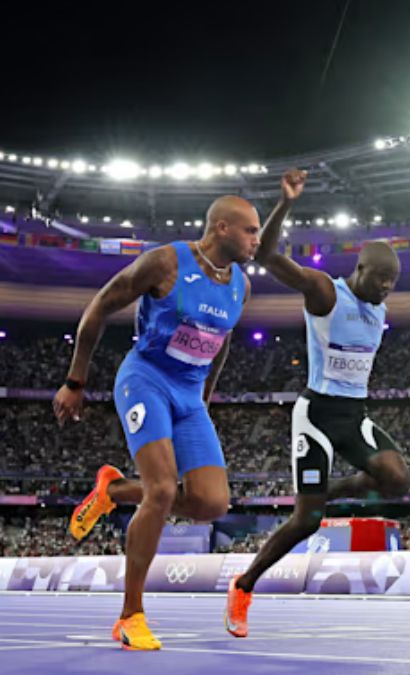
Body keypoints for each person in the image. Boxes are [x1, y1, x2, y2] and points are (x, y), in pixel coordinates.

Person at [55, 191, 263, 650]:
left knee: (212, 504)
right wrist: (76, 380)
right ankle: (130, 615)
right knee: (164, 489)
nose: (257, 239)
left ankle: (113, 491)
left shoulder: (240, 286)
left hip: (189, 396)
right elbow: (101, 306)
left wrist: (204, 397)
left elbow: (221, 339)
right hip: (146, 379)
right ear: (221, 228)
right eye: (251, 230)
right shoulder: (166, 263)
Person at [223, 169, 410, 637]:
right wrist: (286, 203)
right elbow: (265, 255)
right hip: (317, 415)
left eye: (393, 282)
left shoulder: (380, 308)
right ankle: (244, 585)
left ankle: (328, 487)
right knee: (307, 521)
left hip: (355, 415)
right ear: (359, 269)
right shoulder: (326, 291)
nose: (387, 288)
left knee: (397, 481)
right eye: (381, 279)